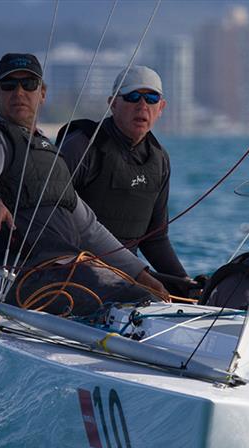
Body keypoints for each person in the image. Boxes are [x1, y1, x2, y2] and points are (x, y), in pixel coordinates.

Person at [0, 53, 167, 315]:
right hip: (26, 281)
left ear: (42, 92)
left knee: (145, 293)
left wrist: (140, 273)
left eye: (29, 84)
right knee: (133, 301)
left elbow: (89, 229)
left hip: (66, 271)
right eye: (9, 85)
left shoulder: (47, 153)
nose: (19, 92)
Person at [56, 66, 189, 293]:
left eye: (151, 98)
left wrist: (184, 283)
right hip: (71, 269)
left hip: (129, 274)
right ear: (113, 103)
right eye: (132, 97)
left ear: (161, 108)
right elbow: (50, 217)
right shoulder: (81, 146)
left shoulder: (159, 160)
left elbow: (154, 239)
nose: (142, 106)